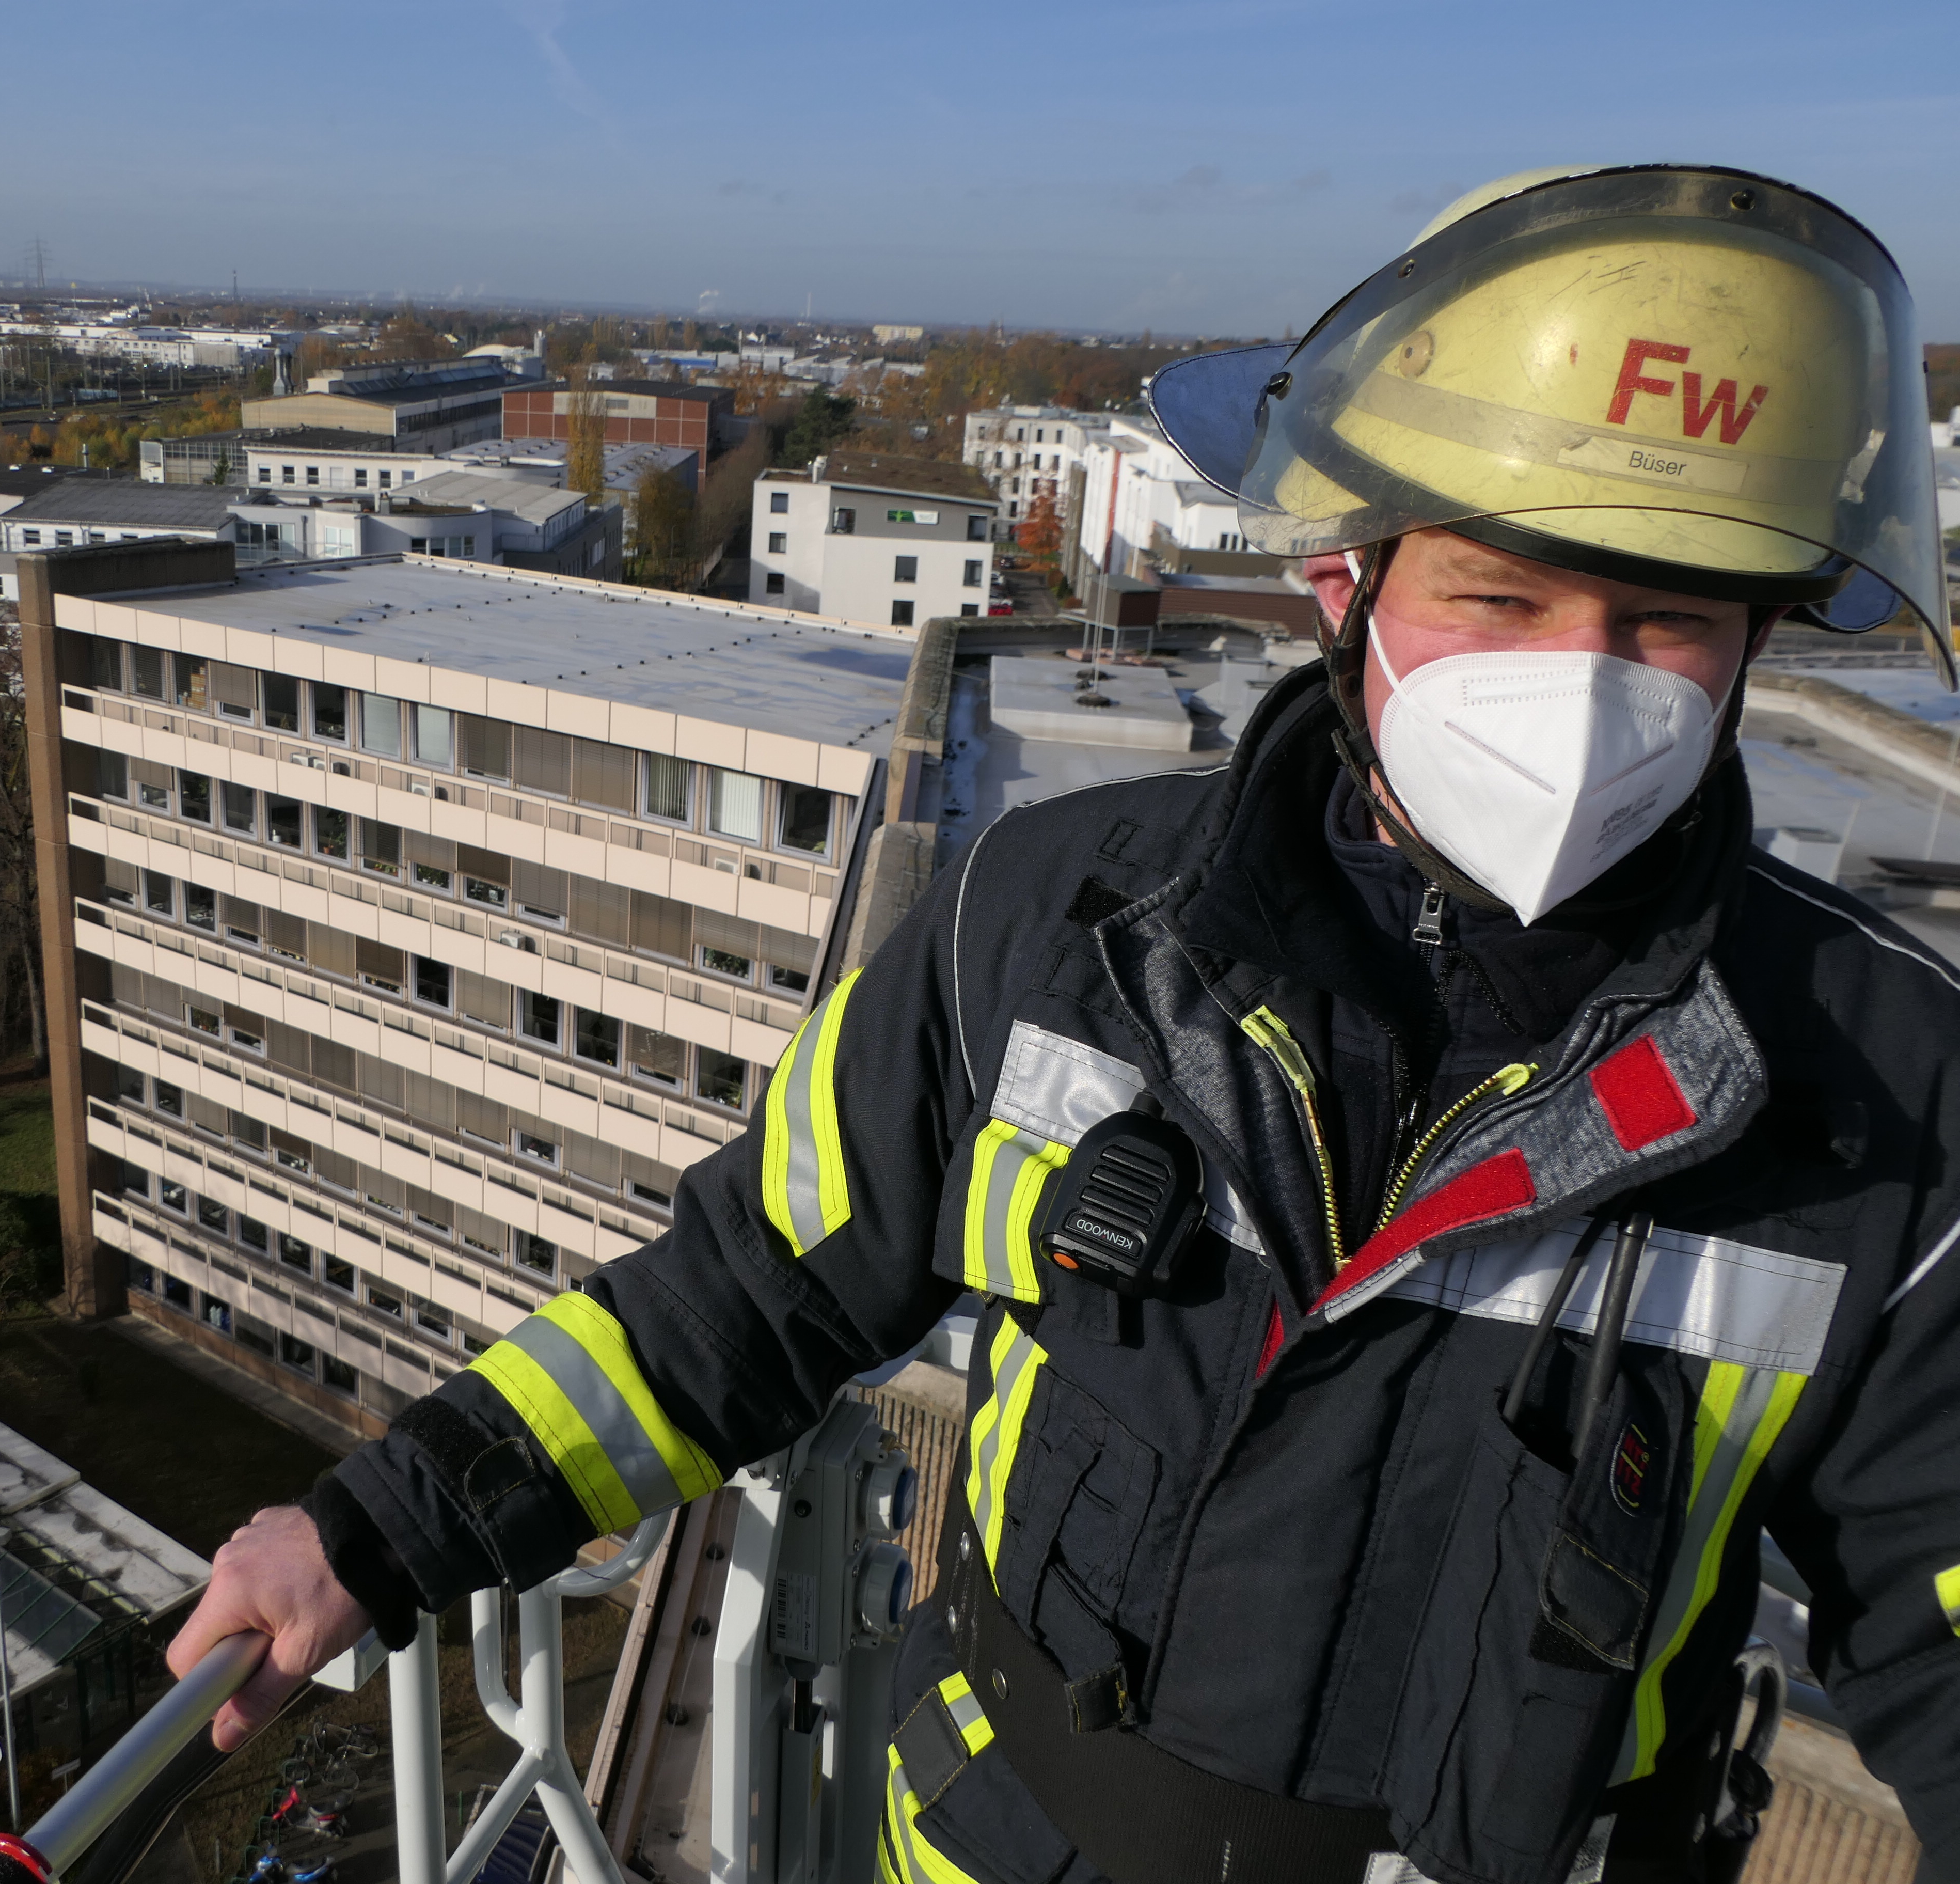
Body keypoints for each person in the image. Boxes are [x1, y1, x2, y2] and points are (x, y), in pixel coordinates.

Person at [169, 166, 1960, 1884]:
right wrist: (379, 1526)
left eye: (1664, 619)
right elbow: (747, 1296)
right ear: (1347, 584)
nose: (1578, 686)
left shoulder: (1890, 1092)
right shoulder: (1055, 921)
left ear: (1755, 645)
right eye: (1500, 597)